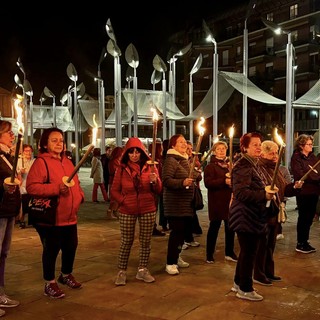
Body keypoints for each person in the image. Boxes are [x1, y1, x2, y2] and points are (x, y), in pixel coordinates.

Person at [26, 127, 84, 299]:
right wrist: (56, 189)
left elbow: (76, 182)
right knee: (51, 249)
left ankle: (66, 274)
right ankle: (49, 282)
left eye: (61, 140)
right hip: (52, 217)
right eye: (54, 140)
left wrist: (79, 196)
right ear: (45, 144)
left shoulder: (67, 161)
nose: (59, 143)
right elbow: (32, 187)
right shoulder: (41, 162)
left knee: (71, 247)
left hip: (70, 216)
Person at [229, 132, 274, 301]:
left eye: (259, 144)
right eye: (254, 144)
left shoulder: (252, 164)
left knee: (246, 252)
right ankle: (245, 289)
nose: (258, 147)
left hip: (251, 216)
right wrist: (264, 195)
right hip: (245, 216)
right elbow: (241, 193)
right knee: (249, 253)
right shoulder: (243, 166)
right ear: (245, 147)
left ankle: (238, 282)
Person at [111, 137, 162, 286]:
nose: (134, 155)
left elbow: (158, 189)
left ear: (142, 153)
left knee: (145, 241)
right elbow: (114, 190)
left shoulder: (150, 166)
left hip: (147, 208)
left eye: (137, 152)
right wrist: (123, 201)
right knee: (126, 241)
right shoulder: (121, 169)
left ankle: (142, 269)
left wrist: (155, 181)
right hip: (127, 209)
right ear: (127, 153)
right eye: (131, 152)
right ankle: (121, 271)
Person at [253, 140, 300, 286]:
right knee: (261, 245)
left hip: (273, 212)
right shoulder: (258, 168)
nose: (275, 156)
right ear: (264, 153)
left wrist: (295, 187)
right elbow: (260, 189)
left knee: (270, 244)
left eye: (276, 152)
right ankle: (259, 274)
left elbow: (284, 188)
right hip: (263, 212)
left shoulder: (276, 169)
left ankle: (268, 271)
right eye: (272, 153)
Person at [162, 134, 202, 275]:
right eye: (180, 142)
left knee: (182, 233)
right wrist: (182, 182)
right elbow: (166, 180)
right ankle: (170, 262)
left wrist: (197, 172)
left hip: (186, 204)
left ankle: (177, 257)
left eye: (185, 142)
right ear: (173, 146)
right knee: (176, 233)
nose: (184, 144)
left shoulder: (185, 159)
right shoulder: (171, 160)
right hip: (175, 204)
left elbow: (194, 175)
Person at [204, 140, 237, 263]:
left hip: (229, 201)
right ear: (214, 151)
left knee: (230, 228)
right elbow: (208, 183)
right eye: (218, 149)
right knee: (214, 228)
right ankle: (209, 254)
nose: (221, 150)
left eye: (223, 148)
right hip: (217, 201)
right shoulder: (210, 166)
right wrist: (224, 181)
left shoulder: (230, 165)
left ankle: (229, 252)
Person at [0, 120, 21, 315]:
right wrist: (2, 186)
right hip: (0, 210)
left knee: (3, 253)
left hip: (8, 210)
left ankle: (1, 293)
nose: (12, 135)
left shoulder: (8, 155)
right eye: (8, 132)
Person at [290, 134, 320, 253]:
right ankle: (300, 243)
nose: (311, 146)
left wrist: (316, 176)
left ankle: (305, 241)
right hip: (303, 192)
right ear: (301, 145)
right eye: (309, 144)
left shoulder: (312, 157)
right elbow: (300, 174)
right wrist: (315, 177)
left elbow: (318, 170)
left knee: (309, 218)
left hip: (314, 191)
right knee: (303, 217)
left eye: (311, 144)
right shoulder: (296, 158)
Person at [148, 142, 166, 237]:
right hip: (155, 187)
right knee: (154, 208)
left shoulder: (159, 160)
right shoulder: (154, 161)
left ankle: (153, 226)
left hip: (158, 185)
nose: (162, 149)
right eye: (161, 148)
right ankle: (152, 227)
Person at [16, 144, 35, 229]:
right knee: (23, 204)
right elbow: (15, 173)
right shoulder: (19, 161)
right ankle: (22, 220)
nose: (28, 152)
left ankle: (32, 220)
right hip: (22, 186)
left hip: (32, 185)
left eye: (30, 151)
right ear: (23, 151)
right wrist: (20, 172)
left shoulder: (34, 161)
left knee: (32, 204)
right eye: (26, 151)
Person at [107, 146, 123, 219]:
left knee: (116, 198)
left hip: (115, 180)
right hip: (114, 180)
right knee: (114, 198)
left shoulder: (115, 160)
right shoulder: (115, 161)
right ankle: (110, 211)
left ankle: (114, 211)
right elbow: (115, 171)